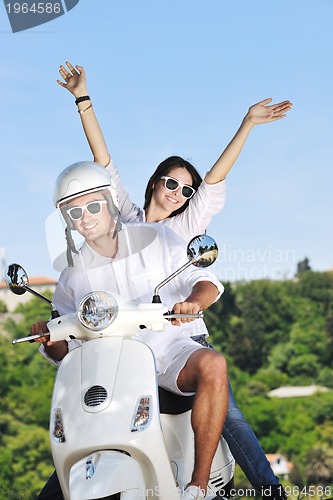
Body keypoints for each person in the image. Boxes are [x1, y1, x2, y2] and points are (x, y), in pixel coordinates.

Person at [55, 62, 290, 499]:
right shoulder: (123, 221)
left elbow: (216, 179)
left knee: (231, 415)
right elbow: (103, 164)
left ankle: (263, 490)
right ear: (154, 181)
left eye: (186, 190)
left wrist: (247, 125)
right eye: (171, 183)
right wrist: (82, 99)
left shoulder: (185, 229)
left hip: (181, 340)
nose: (178, 194)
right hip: (124, 347)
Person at [34, 161, 229, 500]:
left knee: (214, 365)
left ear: (109, 204)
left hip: (170, 353)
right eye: (75, 212)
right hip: (111, 372)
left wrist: (194, 303)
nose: (87, 218)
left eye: (93, 206)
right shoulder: (71, 274)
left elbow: (204, 282)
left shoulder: (156, 236)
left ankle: (198, 486)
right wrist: (49, 340)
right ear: (66, 218)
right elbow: (63, 346)